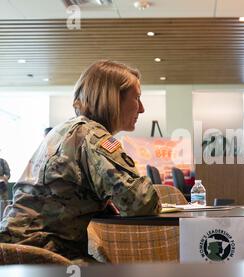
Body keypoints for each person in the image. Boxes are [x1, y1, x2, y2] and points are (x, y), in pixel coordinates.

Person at [0, 60, 161, 262]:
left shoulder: (64, 130)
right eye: (137, 98)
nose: (142, 109)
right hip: (47, 257)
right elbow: (141, 203)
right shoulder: (94, 138)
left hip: (17, 251)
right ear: (113, 99)